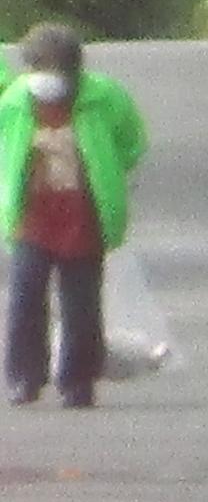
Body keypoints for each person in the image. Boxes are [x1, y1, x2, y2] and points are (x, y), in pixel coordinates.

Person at [0, 24, 148, 409]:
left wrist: (107, 171)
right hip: (31, 214)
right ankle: (24, 378)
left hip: (85, 213)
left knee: (81, 302)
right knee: (25, 297)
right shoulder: (15, 101)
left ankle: (78, 381)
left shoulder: (105, 97)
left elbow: (132, 142)